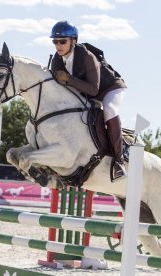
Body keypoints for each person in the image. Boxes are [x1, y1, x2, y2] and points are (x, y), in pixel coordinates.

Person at [49, 20, 128, 182]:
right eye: (55, 41)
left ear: (73, 41)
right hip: (87, 94)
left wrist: (69, 79)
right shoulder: (57, 59)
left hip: (110, 89)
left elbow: (93, 89)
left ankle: (119, 160)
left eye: (62, 41)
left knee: (110, 110)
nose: (58, 45)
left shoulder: (87, 56)